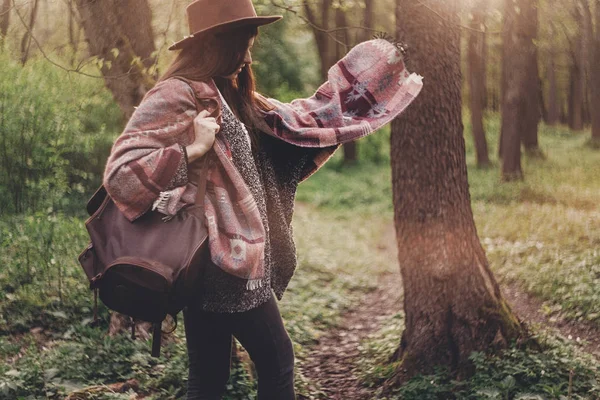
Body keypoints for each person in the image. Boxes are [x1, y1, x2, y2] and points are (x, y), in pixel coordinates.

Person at [102, 0, 423, 398]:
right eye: (243, 43)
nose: (249, 54)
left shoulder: (226, 93)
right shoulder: (177, 94)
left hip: (213, 262)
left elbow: (300, 119)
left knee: (209, 376)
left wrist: (365, 83)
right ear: (217, 44)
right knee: (276, 360)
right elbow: (121, 174)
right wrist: (190, 151)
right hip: (224, 262)